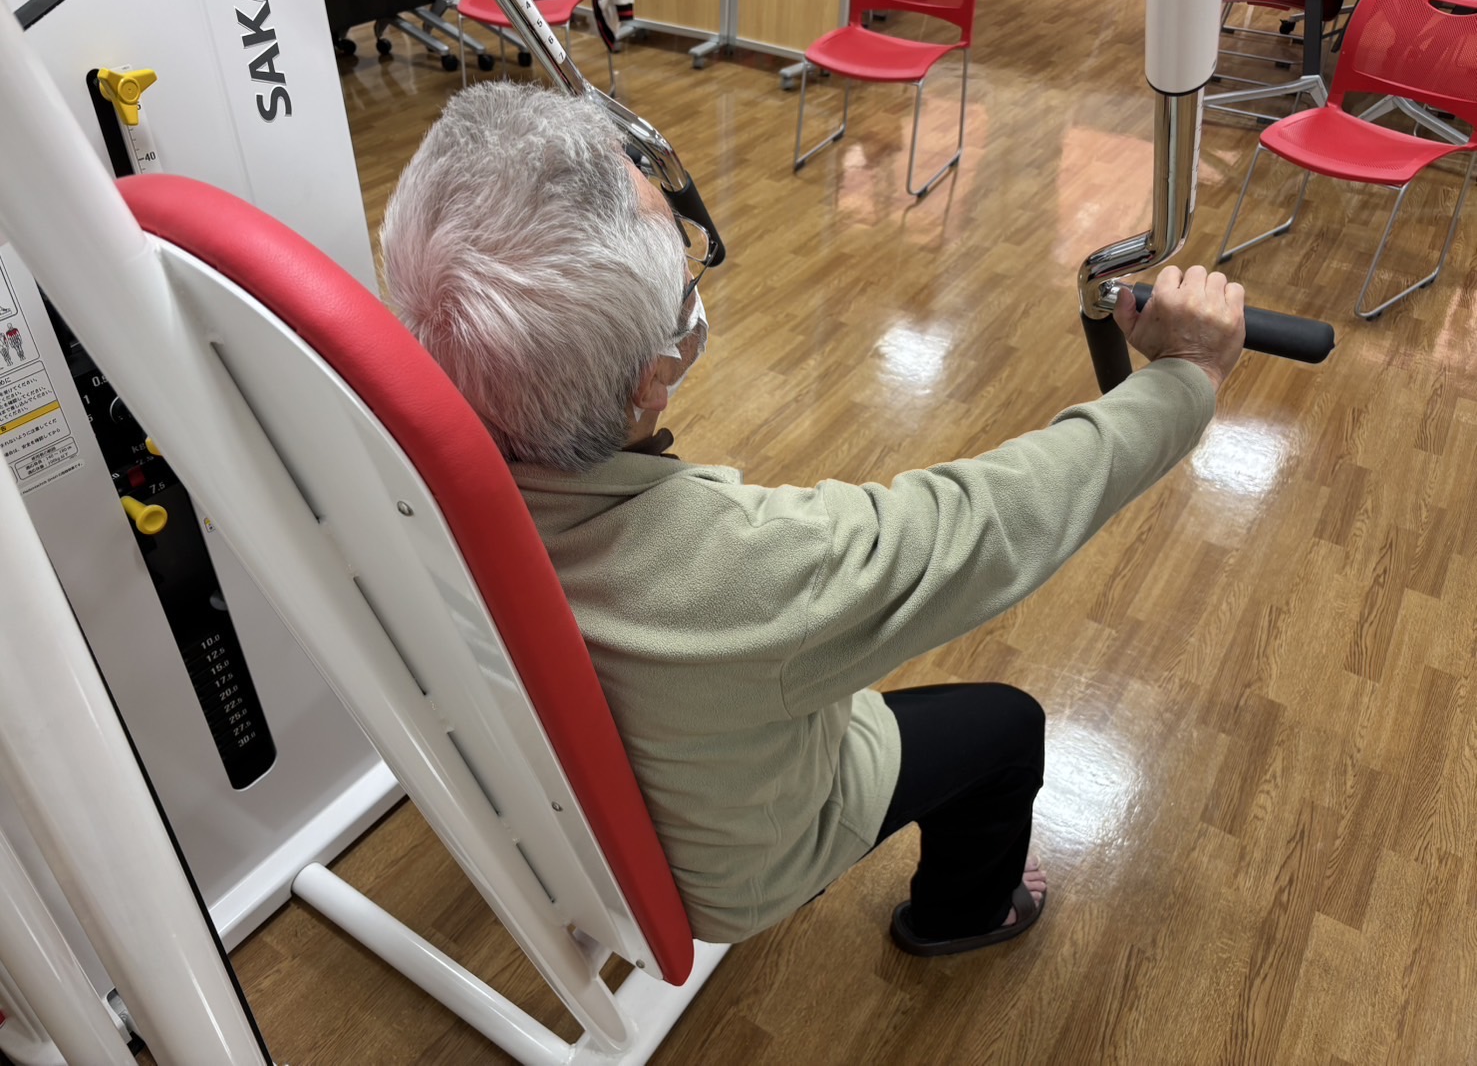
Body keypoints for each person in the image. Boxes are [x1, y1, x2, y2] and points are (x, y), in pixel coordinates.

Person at [380, 82, 1244, 954]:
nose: (690, 269)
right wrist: (1186, 376)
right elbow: (992, 518)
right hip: (729, 874)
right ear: (652, 377)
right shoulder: (744, 568)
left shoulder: (379, 457)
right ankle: (965, 912)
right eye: (683, 262)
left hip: (557, 798)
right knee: (1006, 725)